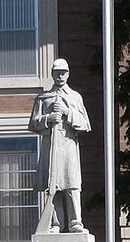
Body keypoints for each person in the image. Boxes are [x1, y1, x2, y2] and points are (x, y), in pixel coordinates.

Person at [28, 58, 91, 233]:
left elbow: (85, 124)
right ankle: (56, 223)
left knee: (72, 184)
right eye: (57, 73)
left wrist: (67, 112)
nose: (60, 76)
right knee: (53, 185)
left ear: (68, 74)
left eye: (63, 72)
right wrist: (48, 119)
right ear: (52, 74)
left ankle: (75, 222)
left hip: (68, 143)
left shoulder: (75, 97)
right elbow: (33, 123)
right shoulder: (43, 98)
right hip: (51, 144)